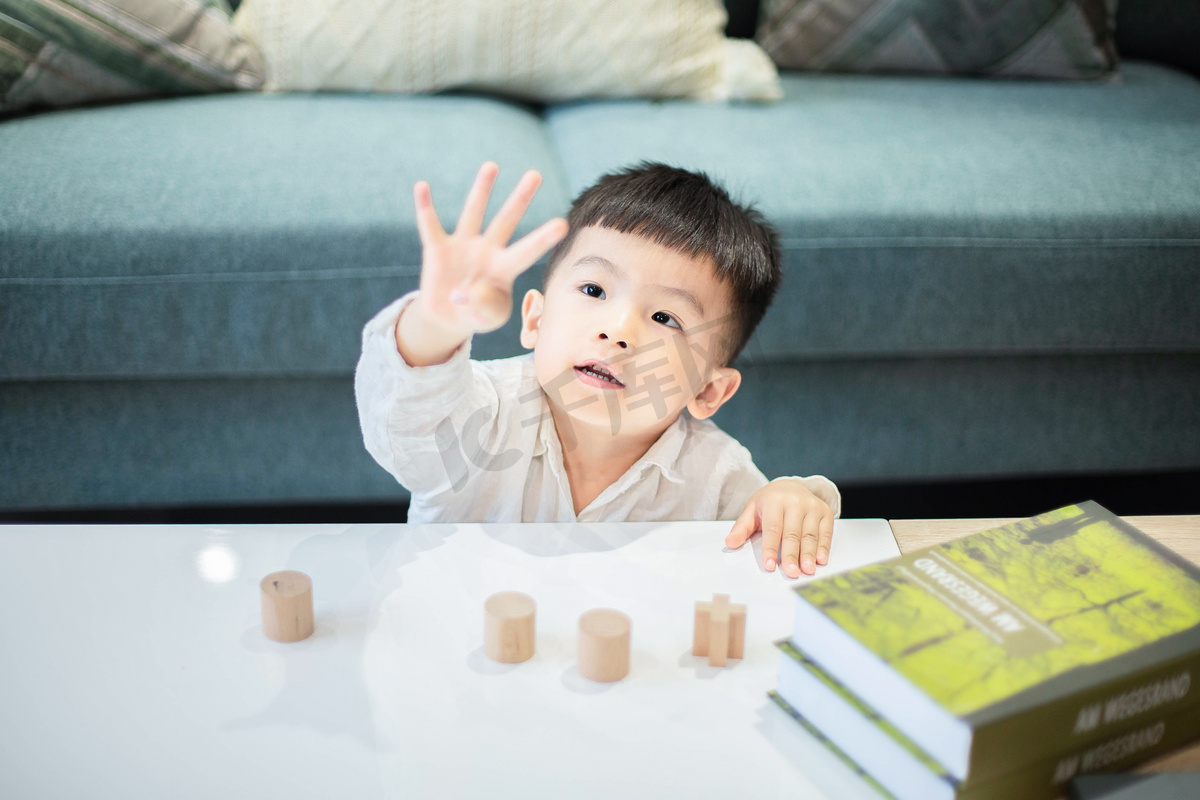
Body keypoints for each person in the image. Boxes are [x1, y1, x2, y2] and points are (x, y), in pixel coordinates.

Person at [354, 160, 841, 577]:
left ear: (709, 392)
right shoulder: (482, 415)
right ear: (535, 319)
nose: (618, 330)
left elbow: (777, 538)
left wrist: (792, 499)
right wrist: (437, 322)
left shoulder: (717, 477)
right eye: (594, 290)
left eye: (665, 318)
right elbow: (405, 418)